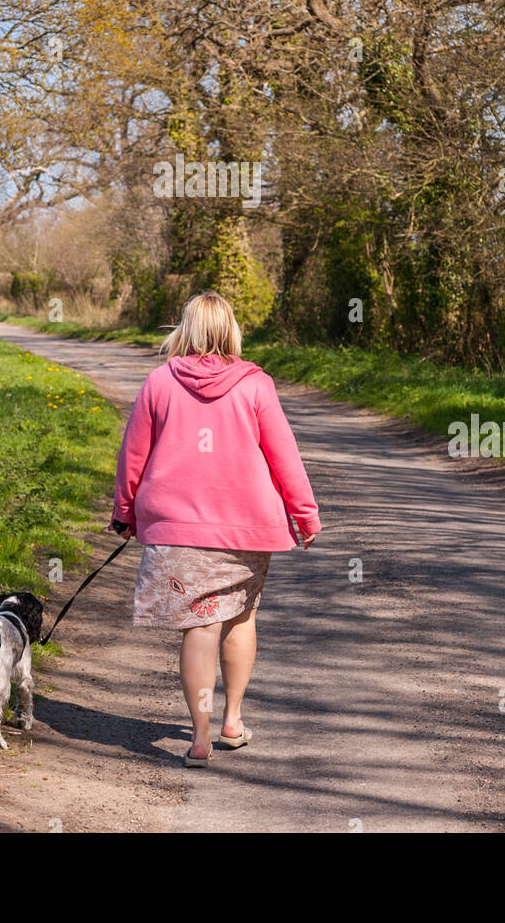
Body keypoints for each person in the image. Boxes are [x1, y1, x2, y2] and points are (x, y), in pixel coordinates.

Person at [109, 290, 321, 765]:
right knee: (241, 617)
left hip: (178, 530)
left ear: (184, 328)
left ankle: (200, 738)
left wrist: (125, 510)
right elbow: (284, 456)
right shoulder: (256, 385)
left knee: (199, 628)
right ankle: (233, 721)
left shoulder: (159, 383)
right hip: (245, 527)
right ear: (230, 330)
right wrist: (304, 515)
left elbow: (133, 457)